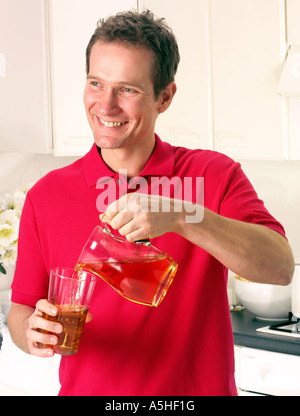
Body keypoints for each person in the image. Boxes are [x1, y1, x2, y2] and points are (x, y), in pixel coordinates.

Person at [7, 10, 294, 396]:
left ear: (165, 97)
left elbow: (278, 267)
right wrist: (30, 332)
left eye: (127, 89)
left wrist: (183, 215)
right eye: (96, 83)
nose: (105, 106)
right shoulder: (46, 195)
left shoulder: (213, 175)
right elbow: (23, 308)